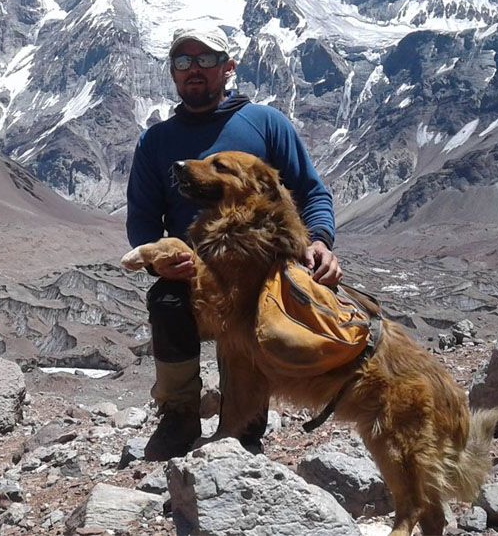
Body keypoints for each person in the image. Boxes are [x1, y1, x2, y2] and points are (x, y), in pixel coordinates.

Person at [126, 25, 342, 461]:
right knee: (166, 300)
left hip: (257, 269)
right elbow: (144, 222)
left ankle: (244, 424)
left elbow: (311, 191)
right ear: (172, 73)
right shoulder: (156, 142)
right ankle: (179, 414)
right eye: (183, 62)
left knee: (256, 308)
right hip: (195, 275)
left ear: (228, 68)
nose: (194, 71)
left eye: (205, 61)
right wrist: (157, 262)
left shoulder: (265, 123)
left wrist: (320, 240)